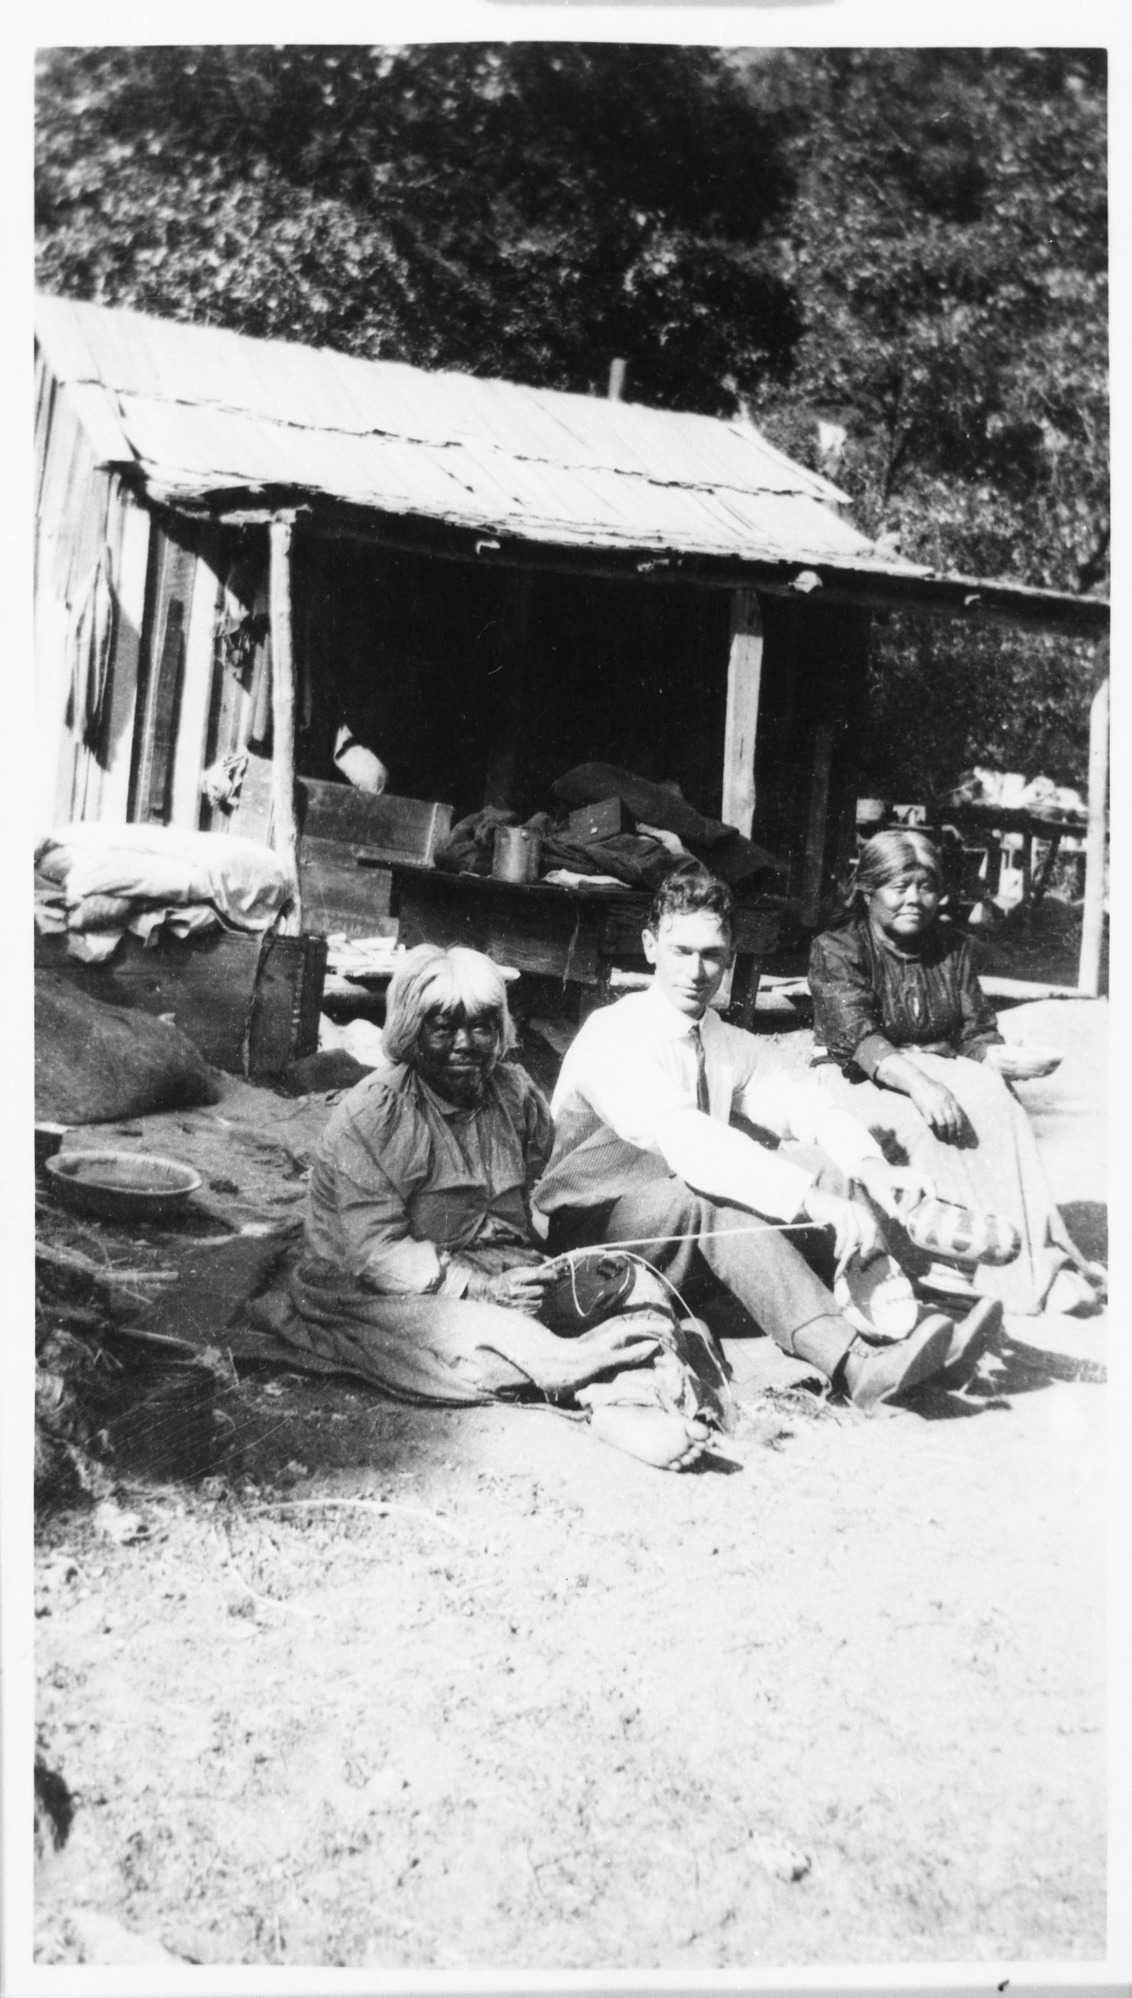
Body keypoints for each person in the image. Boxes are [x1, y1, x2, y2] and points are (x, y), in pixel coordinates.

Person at [535, 862, 996, 1409]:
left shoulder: (720, 1036)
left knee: (819, 1162)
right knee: (713, 1200)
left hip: (673, 1225)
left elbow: (805, 1103)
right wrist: (809, 1199)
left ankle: (898, 1327)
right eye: (682, 951)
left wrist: (869, 1167)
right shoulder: (616, 1033)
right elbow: (690, 1142)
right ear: (650, 946)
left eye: (713, 955)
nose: (697, 970)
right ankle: (853, 1363)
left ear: (729, 959)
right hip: (590, 1239)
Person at [250, 944, 723, 1470]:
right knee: (493, 1341)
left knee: (636, 1287)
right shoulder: (376, 1113)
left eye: (481, 1026)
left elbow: (540, 1179)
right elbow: (374, 1250)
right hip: (384, 1286)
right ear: (410, 1030)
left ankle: (628, 1400)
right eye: (443, 1027)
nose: (465, 1043)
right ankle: (600, 1393)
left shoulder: (513, 1093)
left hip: (506, 1269)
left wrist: (534, 1270)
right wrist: (481, 1289)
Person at [807, 828, 1103, 1318]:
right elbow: (856, 1035)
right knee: (927, 1122)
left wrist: (999, 1060)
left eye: (925, 887)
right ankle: (958, 1271)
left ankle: (1035, 1263)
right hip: (857, 1076)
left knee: (1003, 1108)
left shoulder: (953, 948)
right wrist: (922, 1085)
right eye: (898, 887)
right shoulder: (837, 947)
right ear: (868, 890)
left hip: (935, 1070)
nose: (913, 900)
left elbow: (975, 1030)